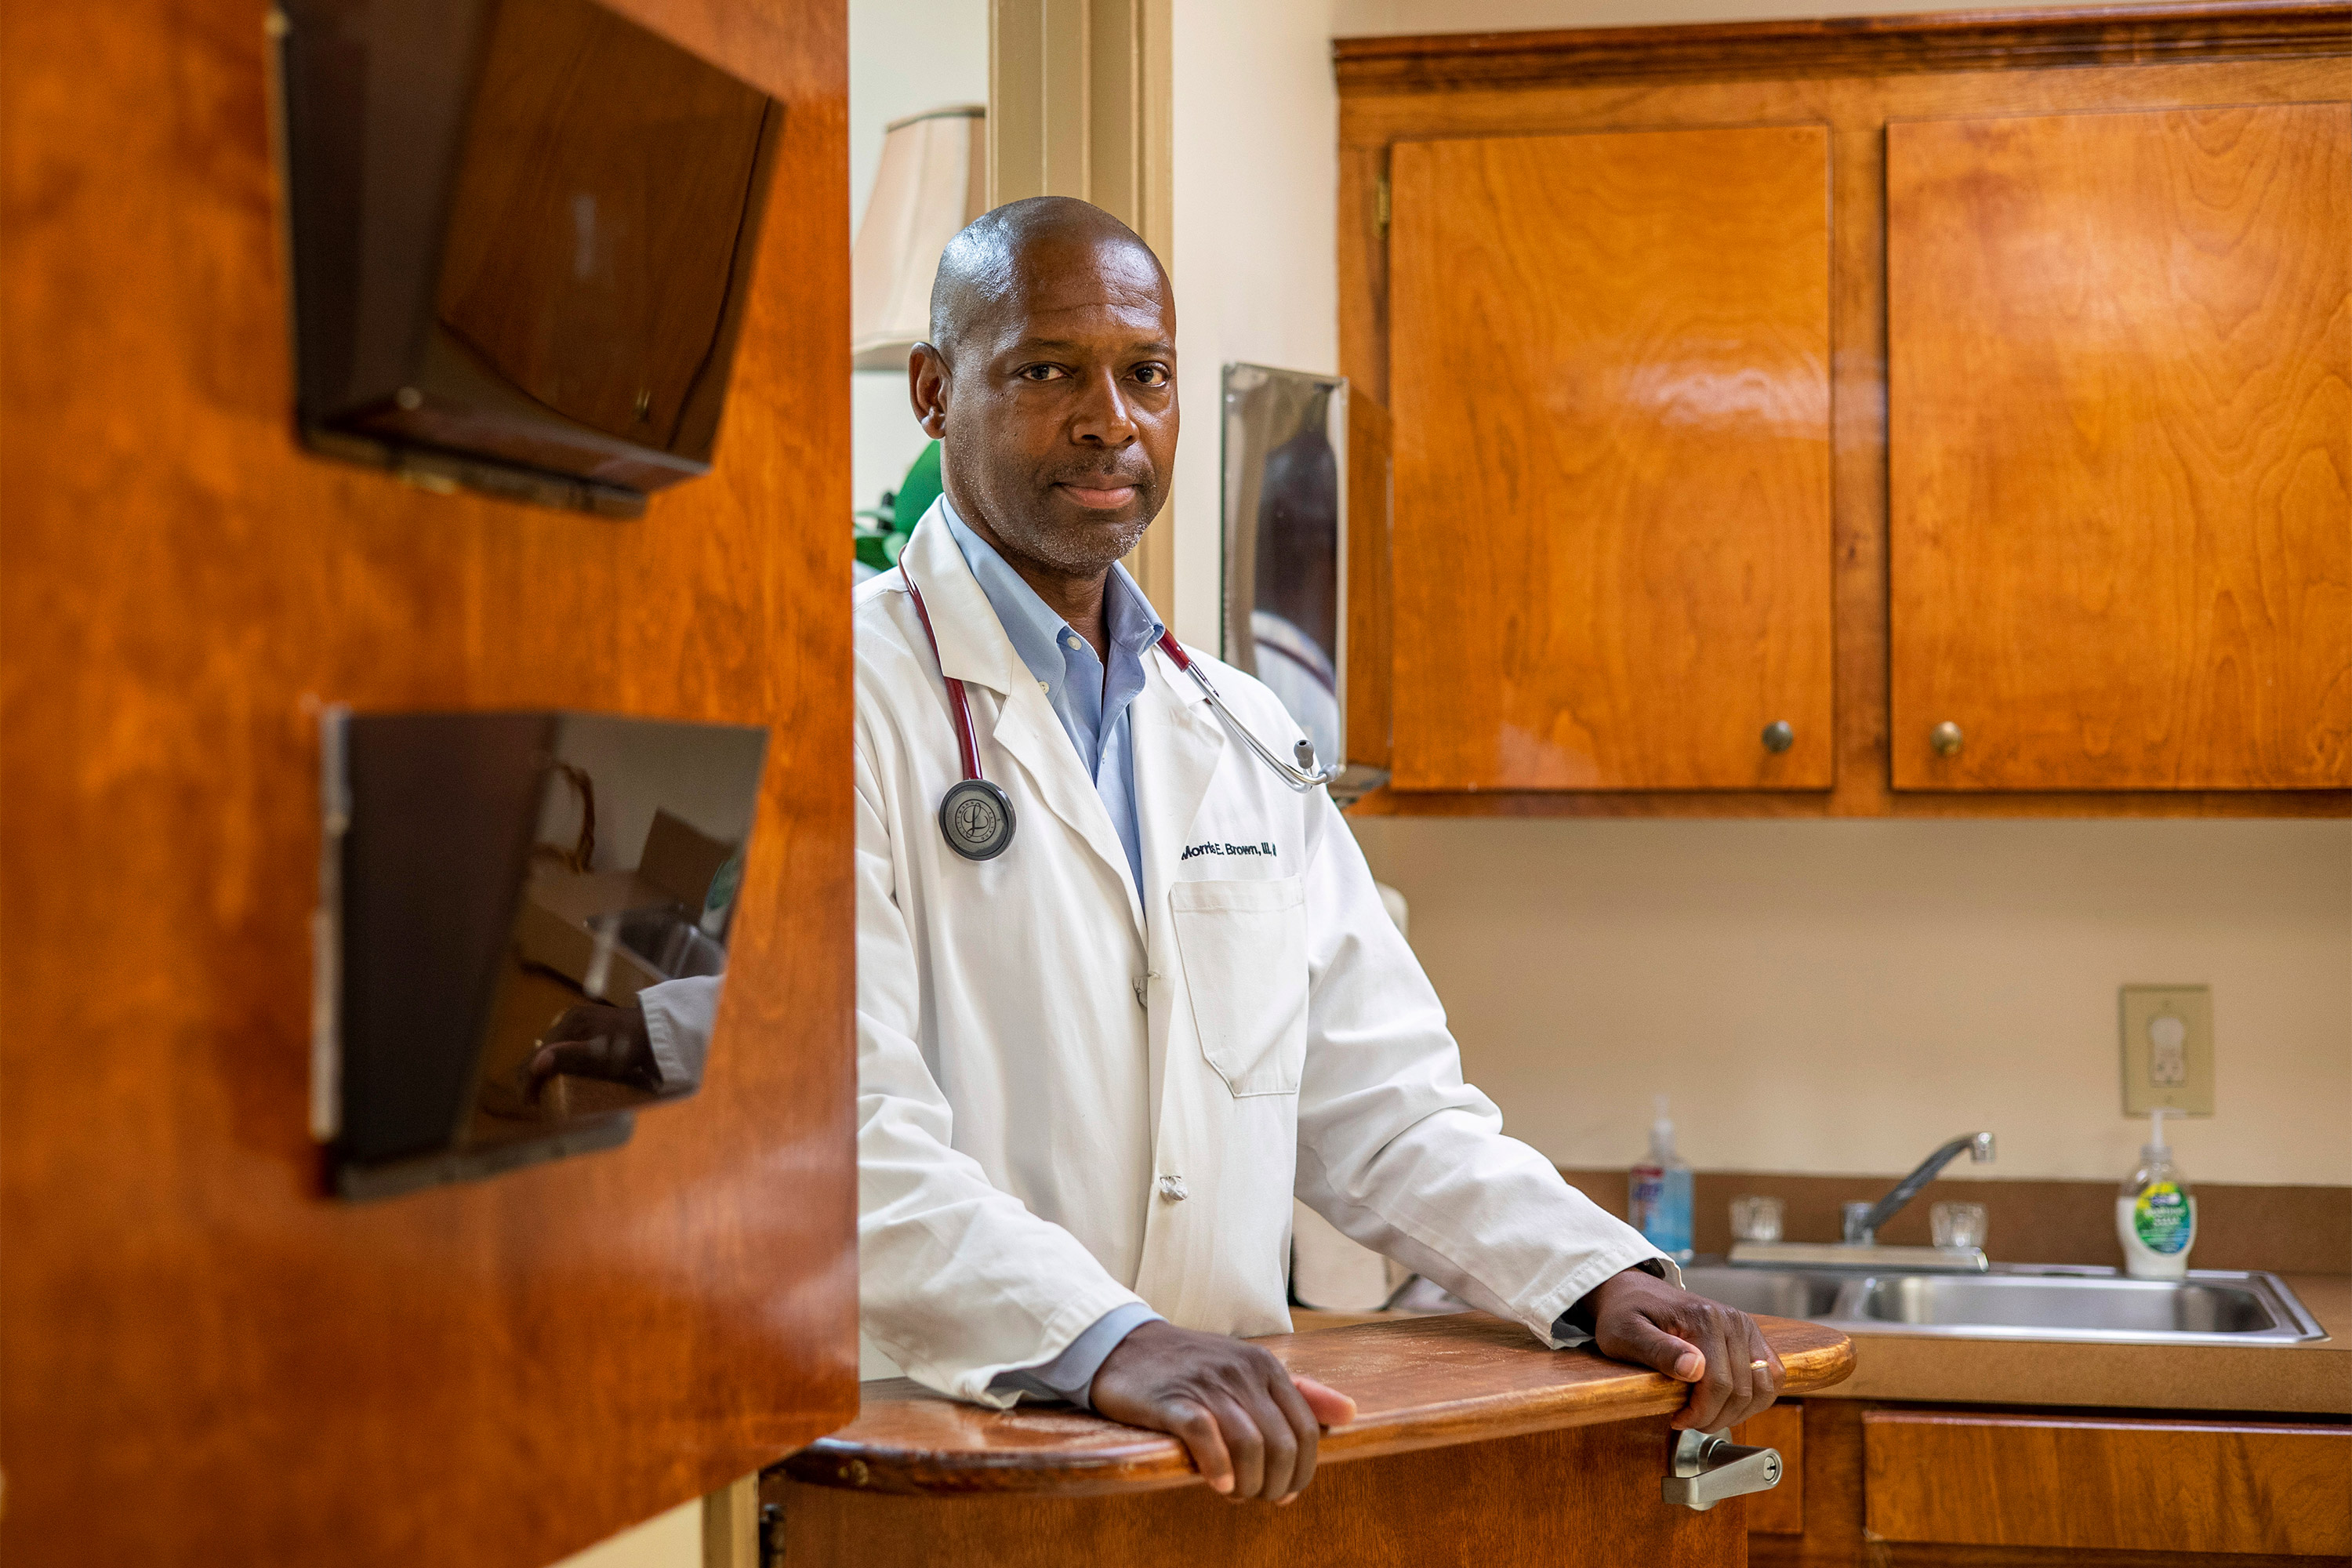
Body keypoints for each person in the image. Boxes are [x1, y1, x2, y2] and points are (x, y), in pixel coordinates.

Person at [853, 196, 1780, 1505]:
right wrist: (1106, 1336)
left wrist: (1593, 1276)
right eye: (1049, 369)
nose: (1109, 419)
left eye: (1146, 373)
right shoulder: (838, 697)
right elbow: (839, 1132)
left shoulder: (1240, 727)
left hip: (1226, 1463)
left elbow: (1383, 1106)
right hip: (952, 1460)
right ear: (936, 392)